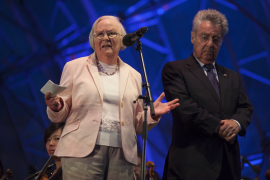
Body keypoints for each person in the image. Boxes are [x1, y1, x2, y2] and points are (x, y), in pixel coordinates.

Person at [44, 15, 179, 180]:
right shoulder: (74, 67)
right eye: (100, 34)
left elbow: (135, 123)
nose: (105, 38)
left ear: (122, 39)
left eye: (111, 33)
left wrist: (152, 114)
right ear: (93, 40)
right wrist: (56, 106)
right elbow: (60, 110)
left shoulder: (134, 75)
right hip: (82, 152)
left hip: (122, 155)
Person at [162, 9, 253, 180]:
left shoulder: (232, 76)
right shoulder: (175, 70)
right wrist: (220, 127)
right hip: (190, 168)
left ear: (221, 42)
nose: (210, 44)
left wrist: (237, 123)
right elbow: (185, 108)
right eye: (204, 37)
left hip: (228, 167)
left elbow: (245, 107)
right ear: (192, 37)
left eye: (216, 39)